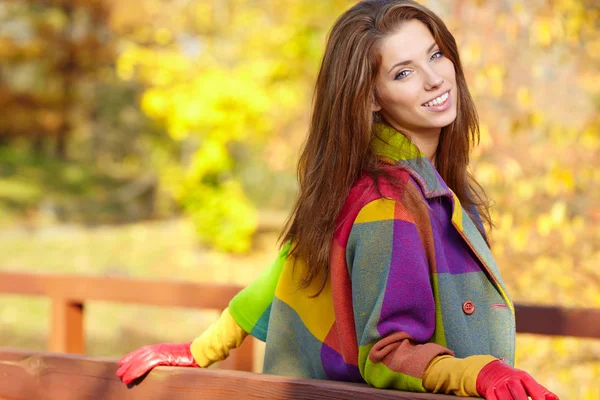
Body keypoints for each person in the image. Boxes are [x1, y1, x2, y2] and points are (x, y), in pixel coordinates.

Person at [116, 1, 558, 398]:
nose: (434, 79)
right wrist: (481, 375)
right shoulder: (389, 205)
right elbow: (386, 352)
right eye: (403, 72)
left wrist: (200, 348)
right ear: (370, 97)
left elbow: (287, 271)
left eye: (435, 54)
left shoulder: (384, 185)